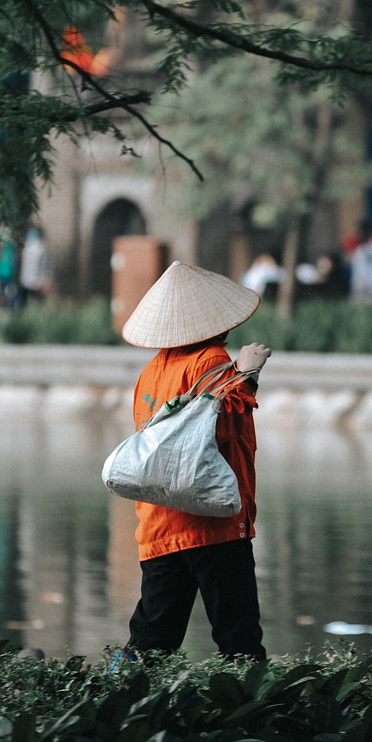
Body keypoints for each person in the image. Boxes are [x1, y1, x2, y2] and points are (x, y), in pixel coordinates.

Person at [120, 260, 271, 659]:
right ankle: (254, 715)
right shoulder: (211, 360)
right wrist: (248, 374)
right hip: (212, 522)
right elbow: (221, 426)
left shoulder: (151, 372)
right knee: (239, 639)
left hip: (160, 525)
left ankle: (122, 706)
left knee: (153, 640)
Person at [18, 226, 52, 305]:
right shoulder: (42, 249)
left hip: (25, 281)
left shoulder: (26, 247)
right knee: (37, 304)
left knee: (24, 304)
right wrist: (45, 281)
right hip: (37, 283)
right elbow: (44, 267)